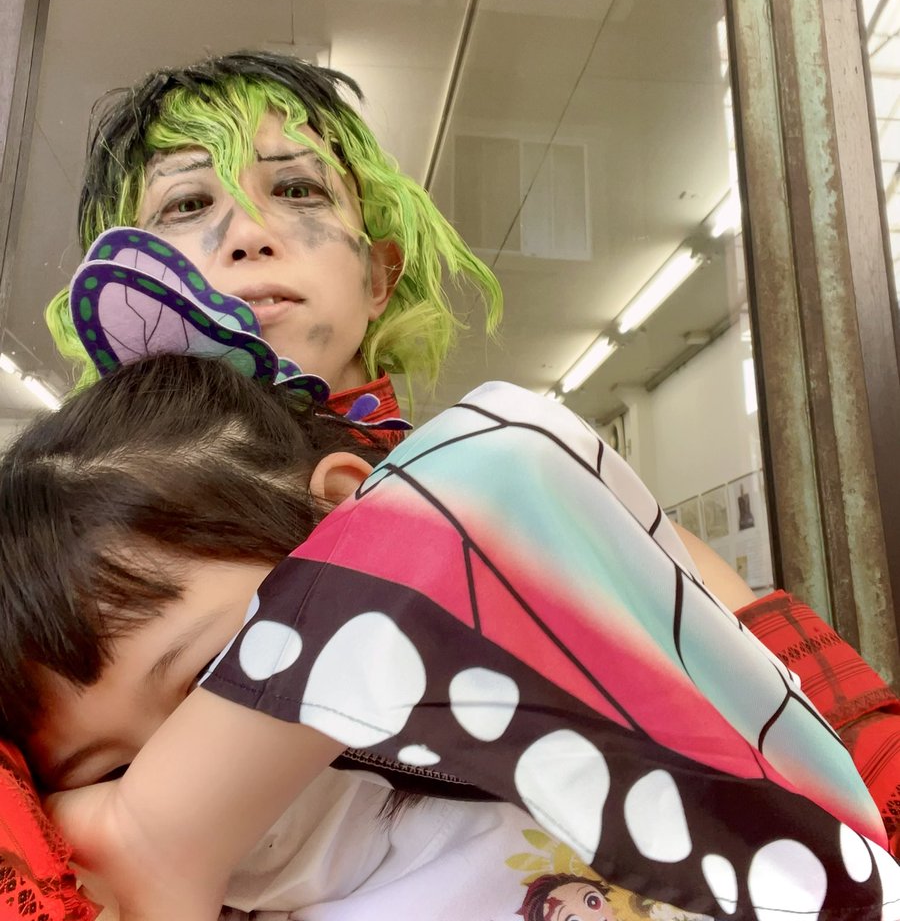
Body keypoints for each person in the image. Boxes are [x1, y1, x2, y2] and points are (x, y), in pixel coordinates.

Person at [0, 351, 896, 921]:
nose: (177, 765)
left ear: (350, 512)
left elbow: (499, 463)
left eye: (206, 678)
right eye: (109, 772)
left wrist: (160, 829)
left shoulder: (549, 670)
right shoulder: (236, 890)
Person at [45, 49, 502, 426]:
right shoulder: (66, 500)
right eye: (188, 204)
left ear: (377, 279)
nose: (248, 234)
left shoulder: (476, 492)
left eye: (298, 191)